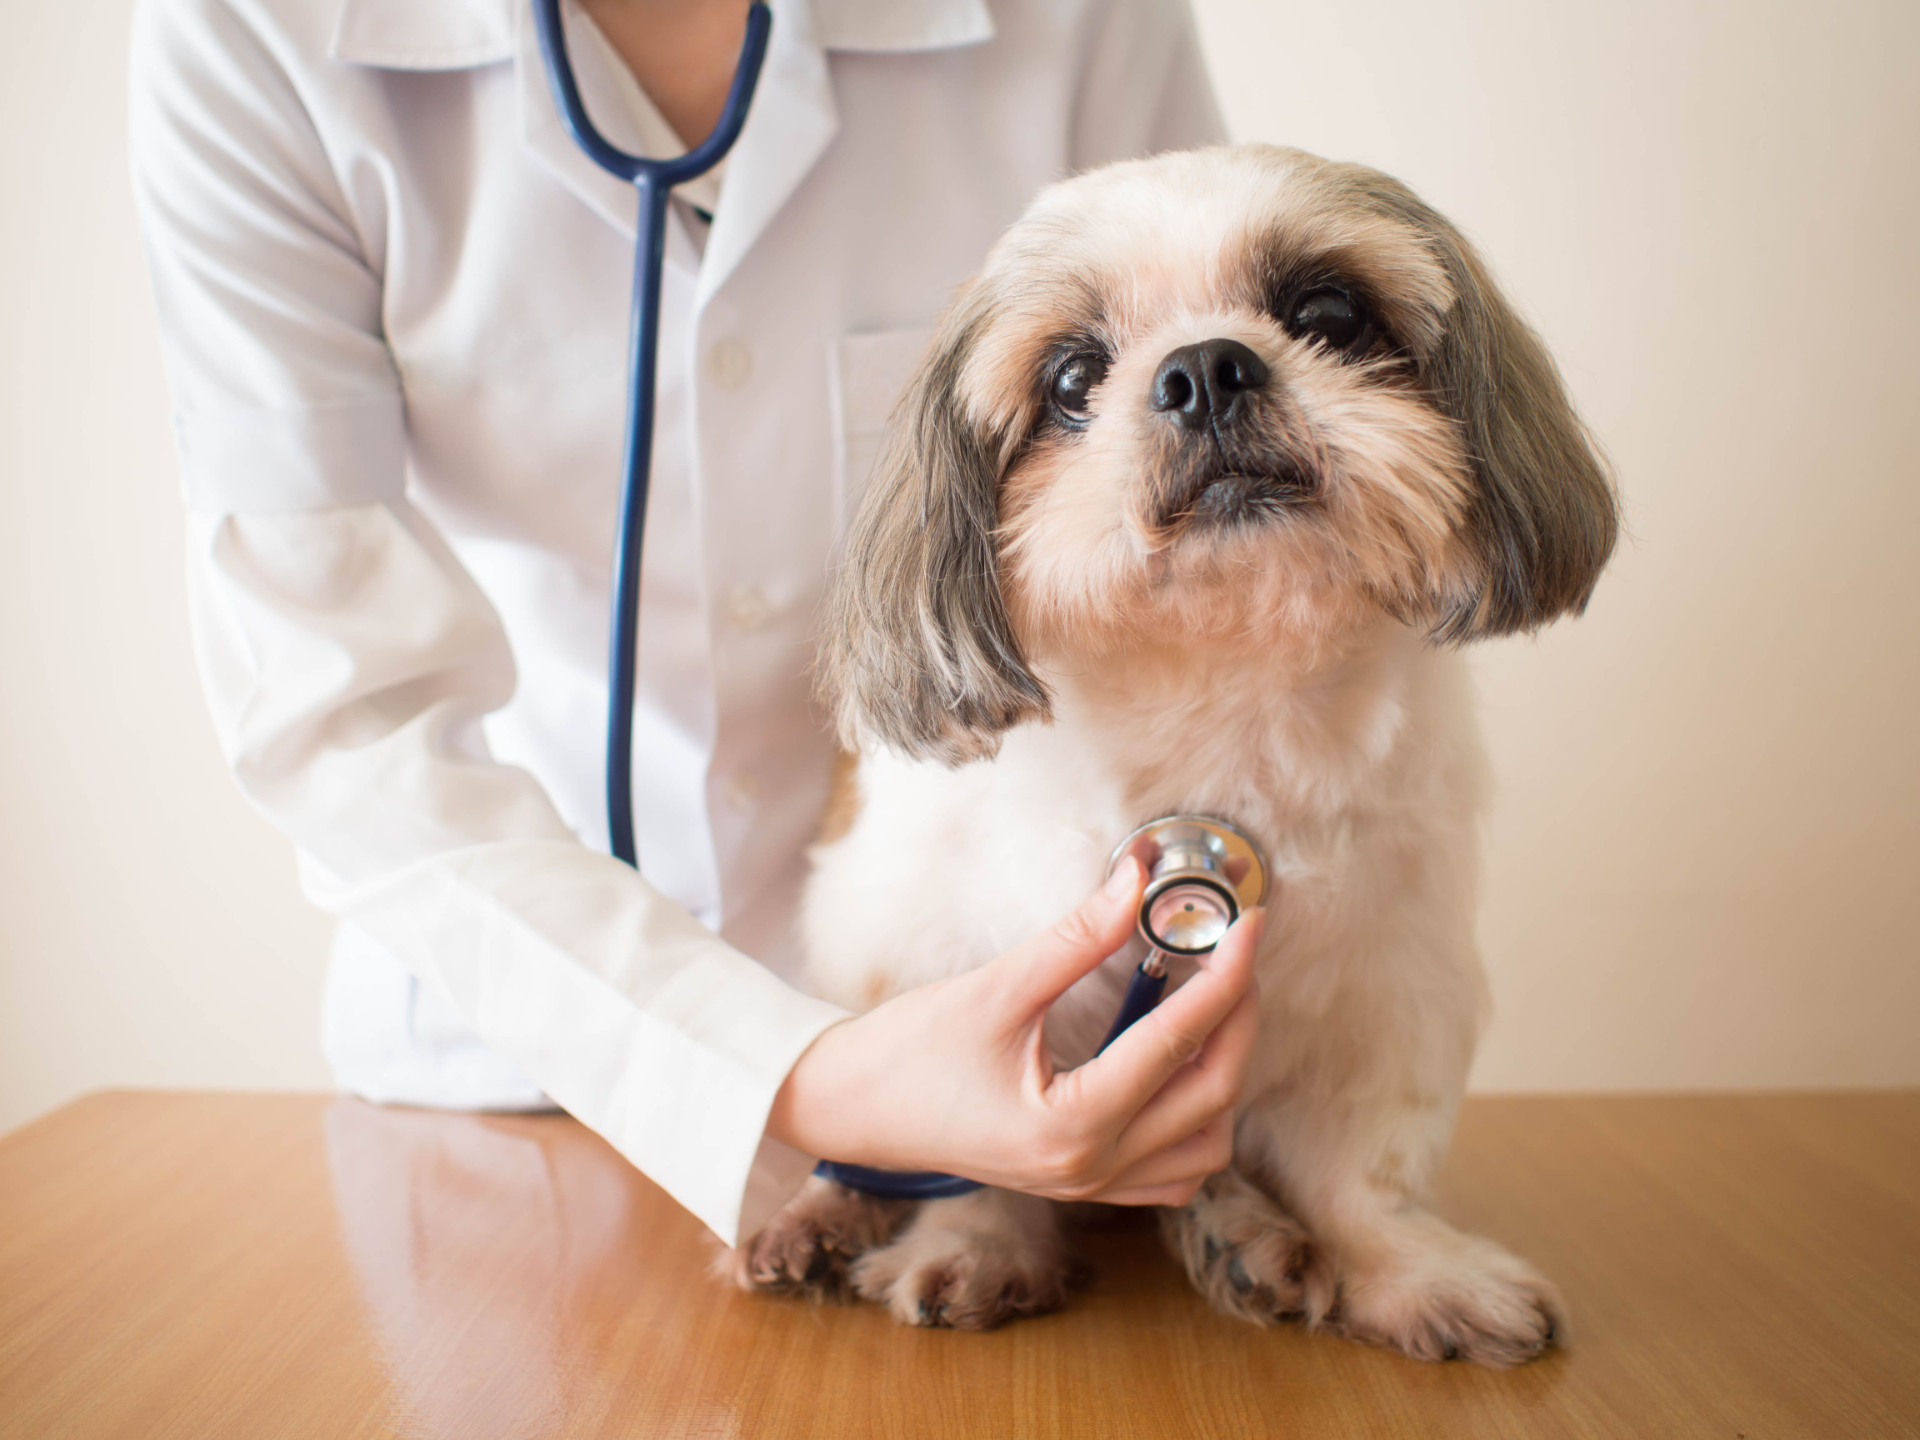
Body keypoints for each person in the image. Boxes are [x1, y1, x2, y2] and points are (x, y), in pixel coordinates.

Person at [129, 0, 1259, 1247]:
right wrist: (808, 1075)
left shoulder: (1087, 20)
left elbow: (1217, 535)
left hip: (1036, 1060)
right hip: (509, 1074)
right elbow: (342, 714)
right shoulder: (251, 29)